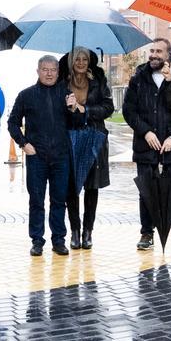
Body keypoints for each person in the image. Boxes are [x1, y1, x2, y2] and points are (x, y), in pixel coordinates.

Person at [123, 37, 171, 253]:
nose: (153, 54)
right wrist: (146, 132)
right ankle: (147, 232)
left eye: (159, 51)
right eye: (152, 50)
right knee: (146, 191)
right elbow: (129, 111)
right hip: (146, 147)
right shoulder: (137, 79)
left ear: (169, 55)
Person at [8, 55, 79, 257]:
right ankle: (37, 240)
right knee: (36, 200)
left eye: (53, 70)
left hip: (60, 156)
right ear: (37, 71)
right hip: (36, 156)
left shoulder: (67, 94)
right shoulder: (26, 95)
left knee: (58, 200)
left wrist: (74, 109)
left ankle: (58, 240)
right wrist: (23, 143)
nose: (49, 73)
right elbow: (12, 123)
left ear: (58, 72)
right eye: (45, 69)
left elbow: (77, 124)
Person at [58, 46, 115, 250]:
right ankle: (74, 230)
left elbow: (108, 107)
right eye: (76, 59)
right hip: (70, 137)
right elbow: (55, 109)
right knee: (71, 187)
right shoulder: (62, 81)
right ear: (71, 62)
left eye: (84, 59)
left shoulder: (98, 80)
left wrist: (85, 110)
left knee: (92, 186)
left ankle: (88, 232)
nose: (80, 63)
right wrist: (67, 107)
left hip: (94, 137)